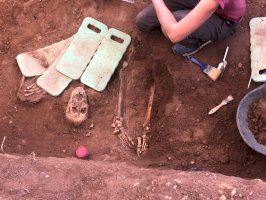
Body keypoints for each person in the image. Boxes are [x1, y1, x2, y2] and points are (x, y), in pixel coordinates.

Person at [136, 0, 246, 56]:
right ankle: (186, 15)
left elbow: (174, 34)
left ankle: (196, 42)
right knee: (143, 22)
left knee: (168, 29)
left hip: (223, 19)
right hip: (200, 2)